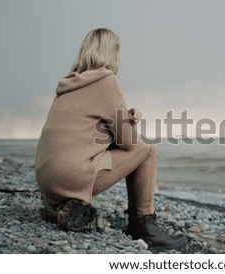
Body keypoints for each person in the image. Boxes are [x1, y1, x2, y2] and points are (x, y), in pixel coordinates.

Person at [35, 28, 187, 252]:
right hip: (73, 177)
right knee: (147, 151)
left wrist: (126, 119)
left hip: (48, 180)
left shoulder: (68, 85)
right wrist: (129, 123)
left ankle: (59, 207)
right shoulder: (106, 81)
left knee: (137, 149)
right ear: (113, 52)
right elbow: (129, 144)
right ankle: (144, 226)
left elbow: (89, 132)